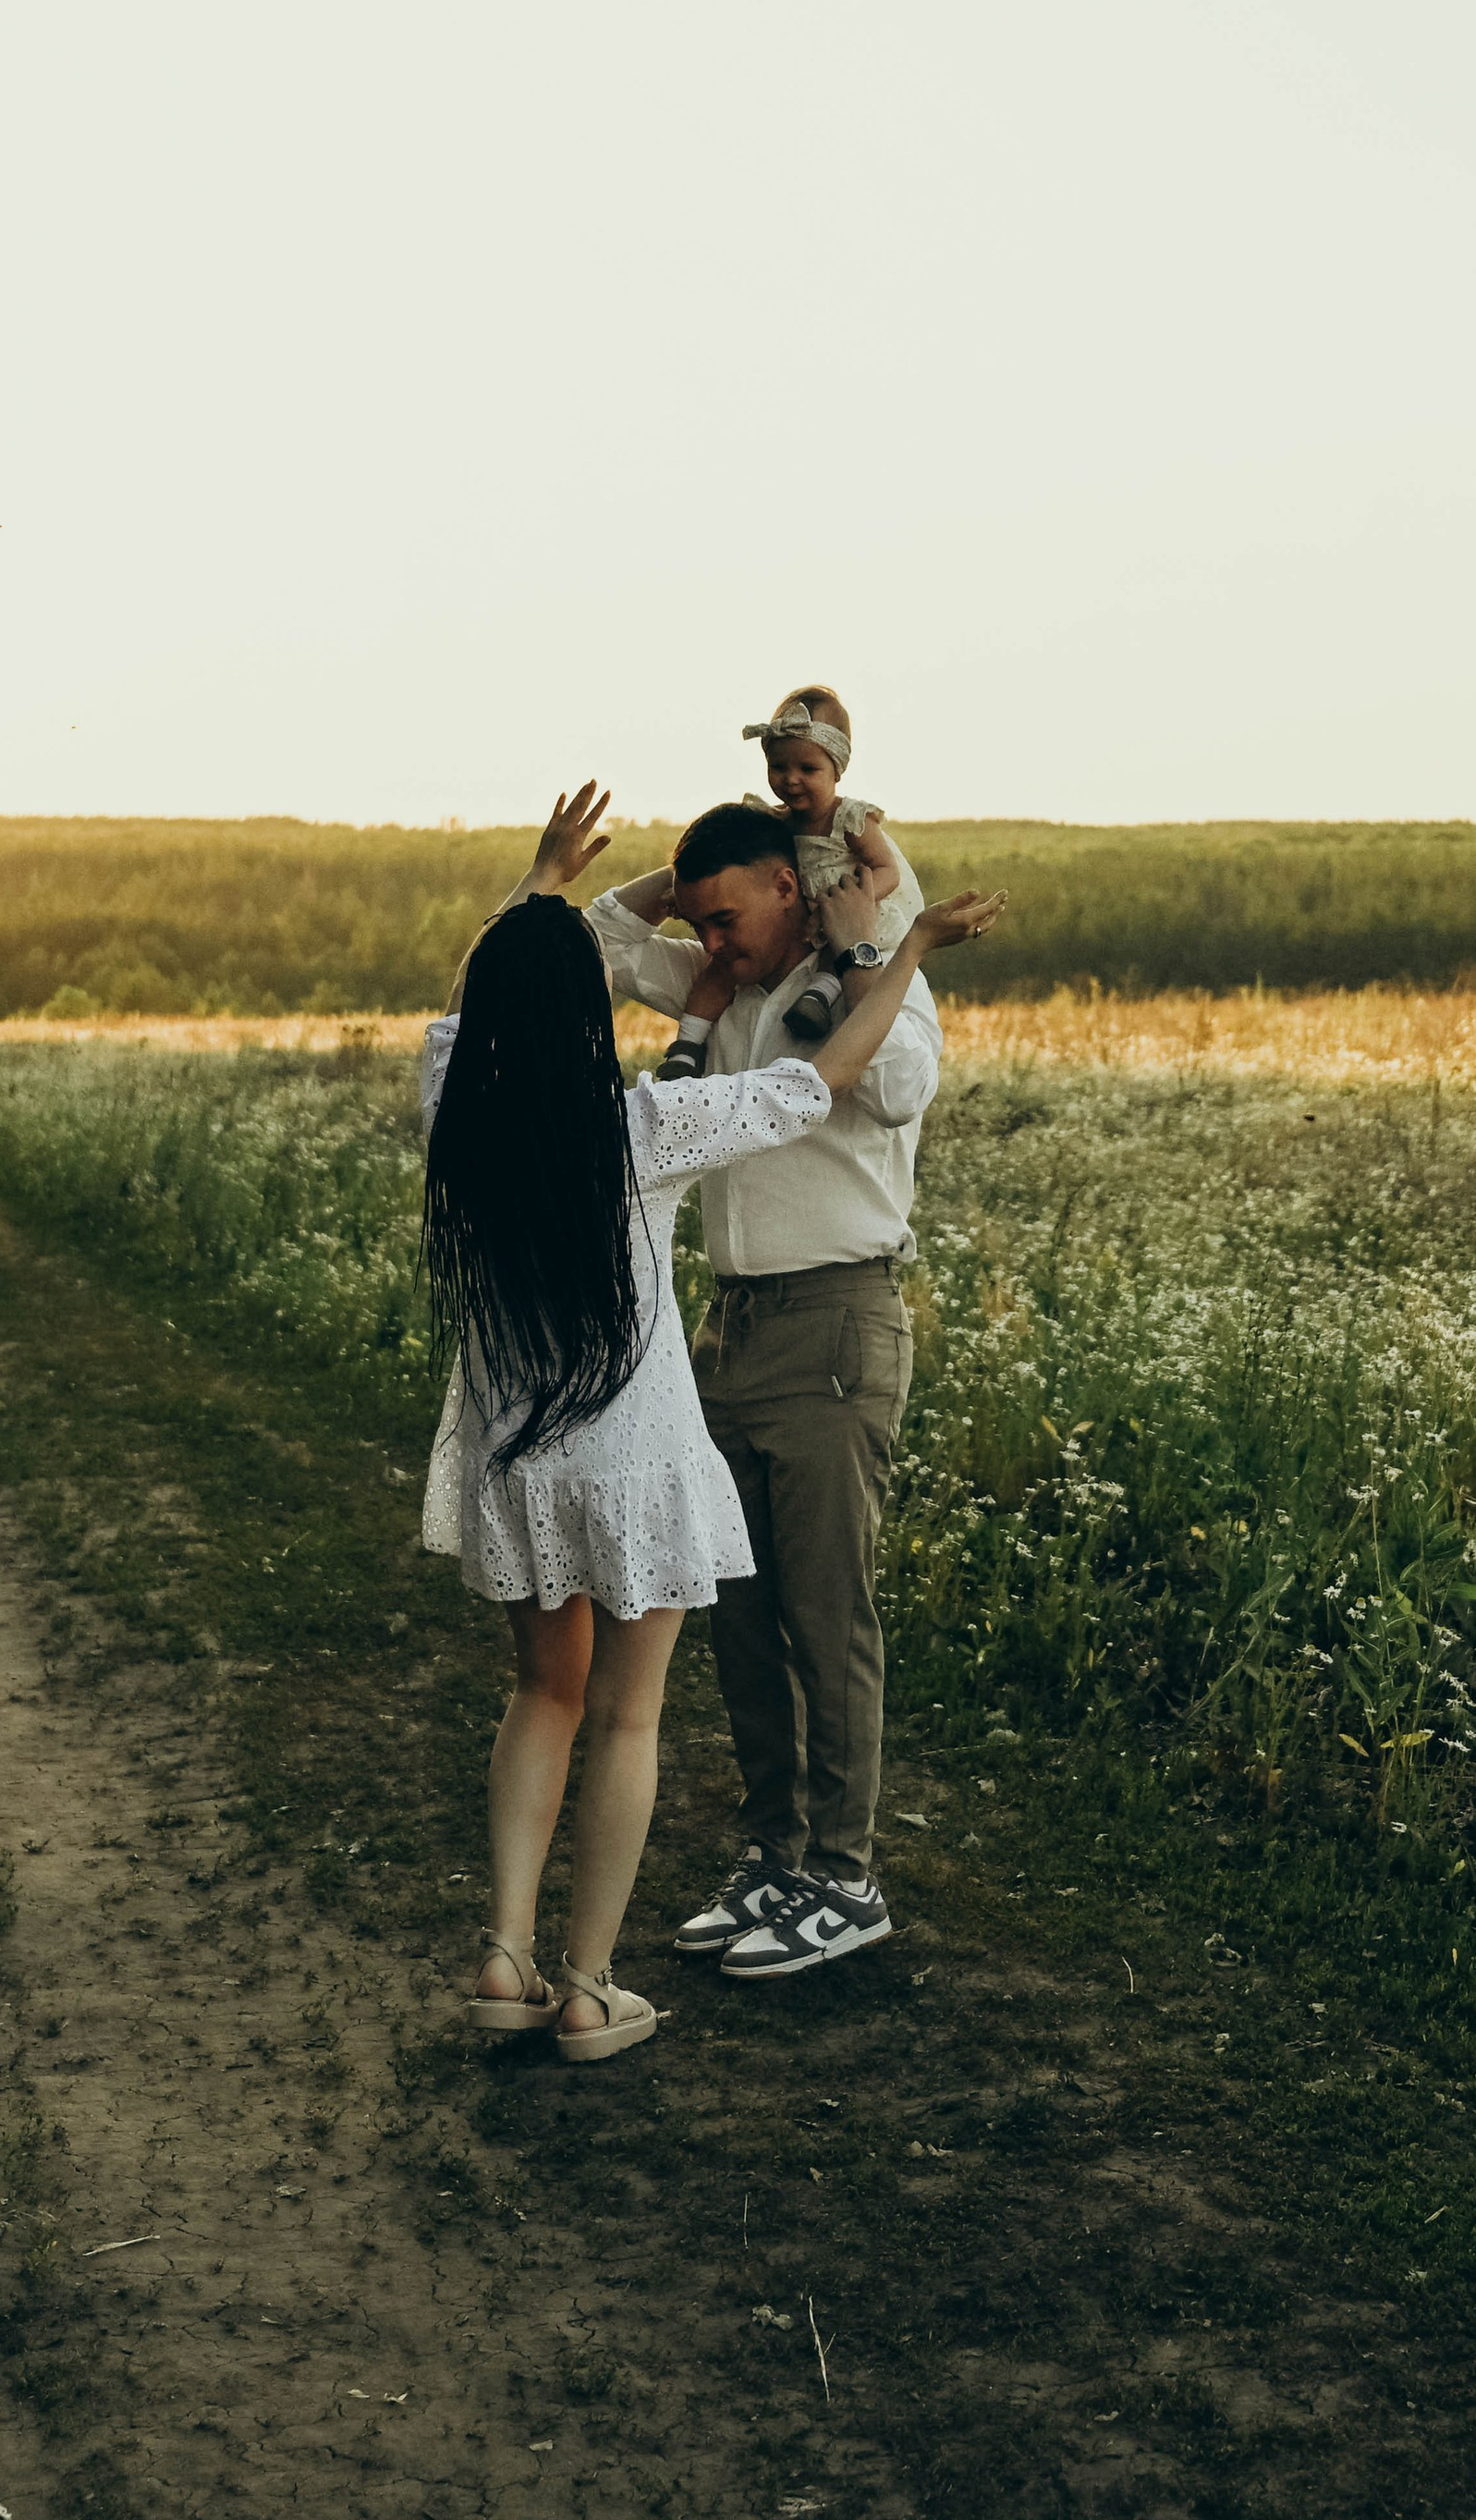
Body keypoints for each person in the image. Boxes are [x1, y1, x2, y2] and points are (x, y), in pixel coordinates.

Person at [421, 788, 1000, 2063]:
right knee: (626, 1718)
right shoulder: (642, 1130)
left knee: (541, 1694)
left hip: (515, 1459)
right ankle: (589, 1988)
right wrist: (909, 943)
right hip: (633, 1459)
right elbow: (823, 1080)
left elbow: (480, 996)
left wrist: (544, 882)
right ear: (586, 1018)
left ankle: (506, 1953)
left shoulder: (452, 1101)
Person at [588, 801, 1003, 1983]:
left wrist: (866, 936)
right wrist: (679, 882)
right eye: (698, 923)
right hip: (730, 1327)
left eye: (726, 916)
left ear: (789, 886)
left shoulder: (875, 978)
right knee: (740, 1619)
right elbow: (601, 944)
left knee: (826, 1615)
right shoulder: (719, 981)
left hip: (834, 1322)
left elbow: (897, 1090)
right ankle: (772, 1857)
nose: (708, 943)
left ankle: (844, 1876)